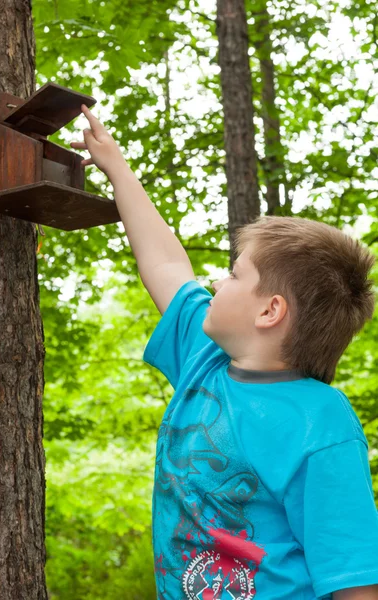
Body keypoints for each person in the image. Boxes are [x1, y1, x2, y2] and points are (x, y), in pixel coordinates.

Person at [71, 105, 378, 600]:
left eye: (235, 274)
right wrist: (117, 167)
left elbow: (355, 582)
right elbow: (167, 262)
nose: (216, 280)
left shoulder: (321, 426)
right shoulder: (205, 357)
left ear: (270, 311)